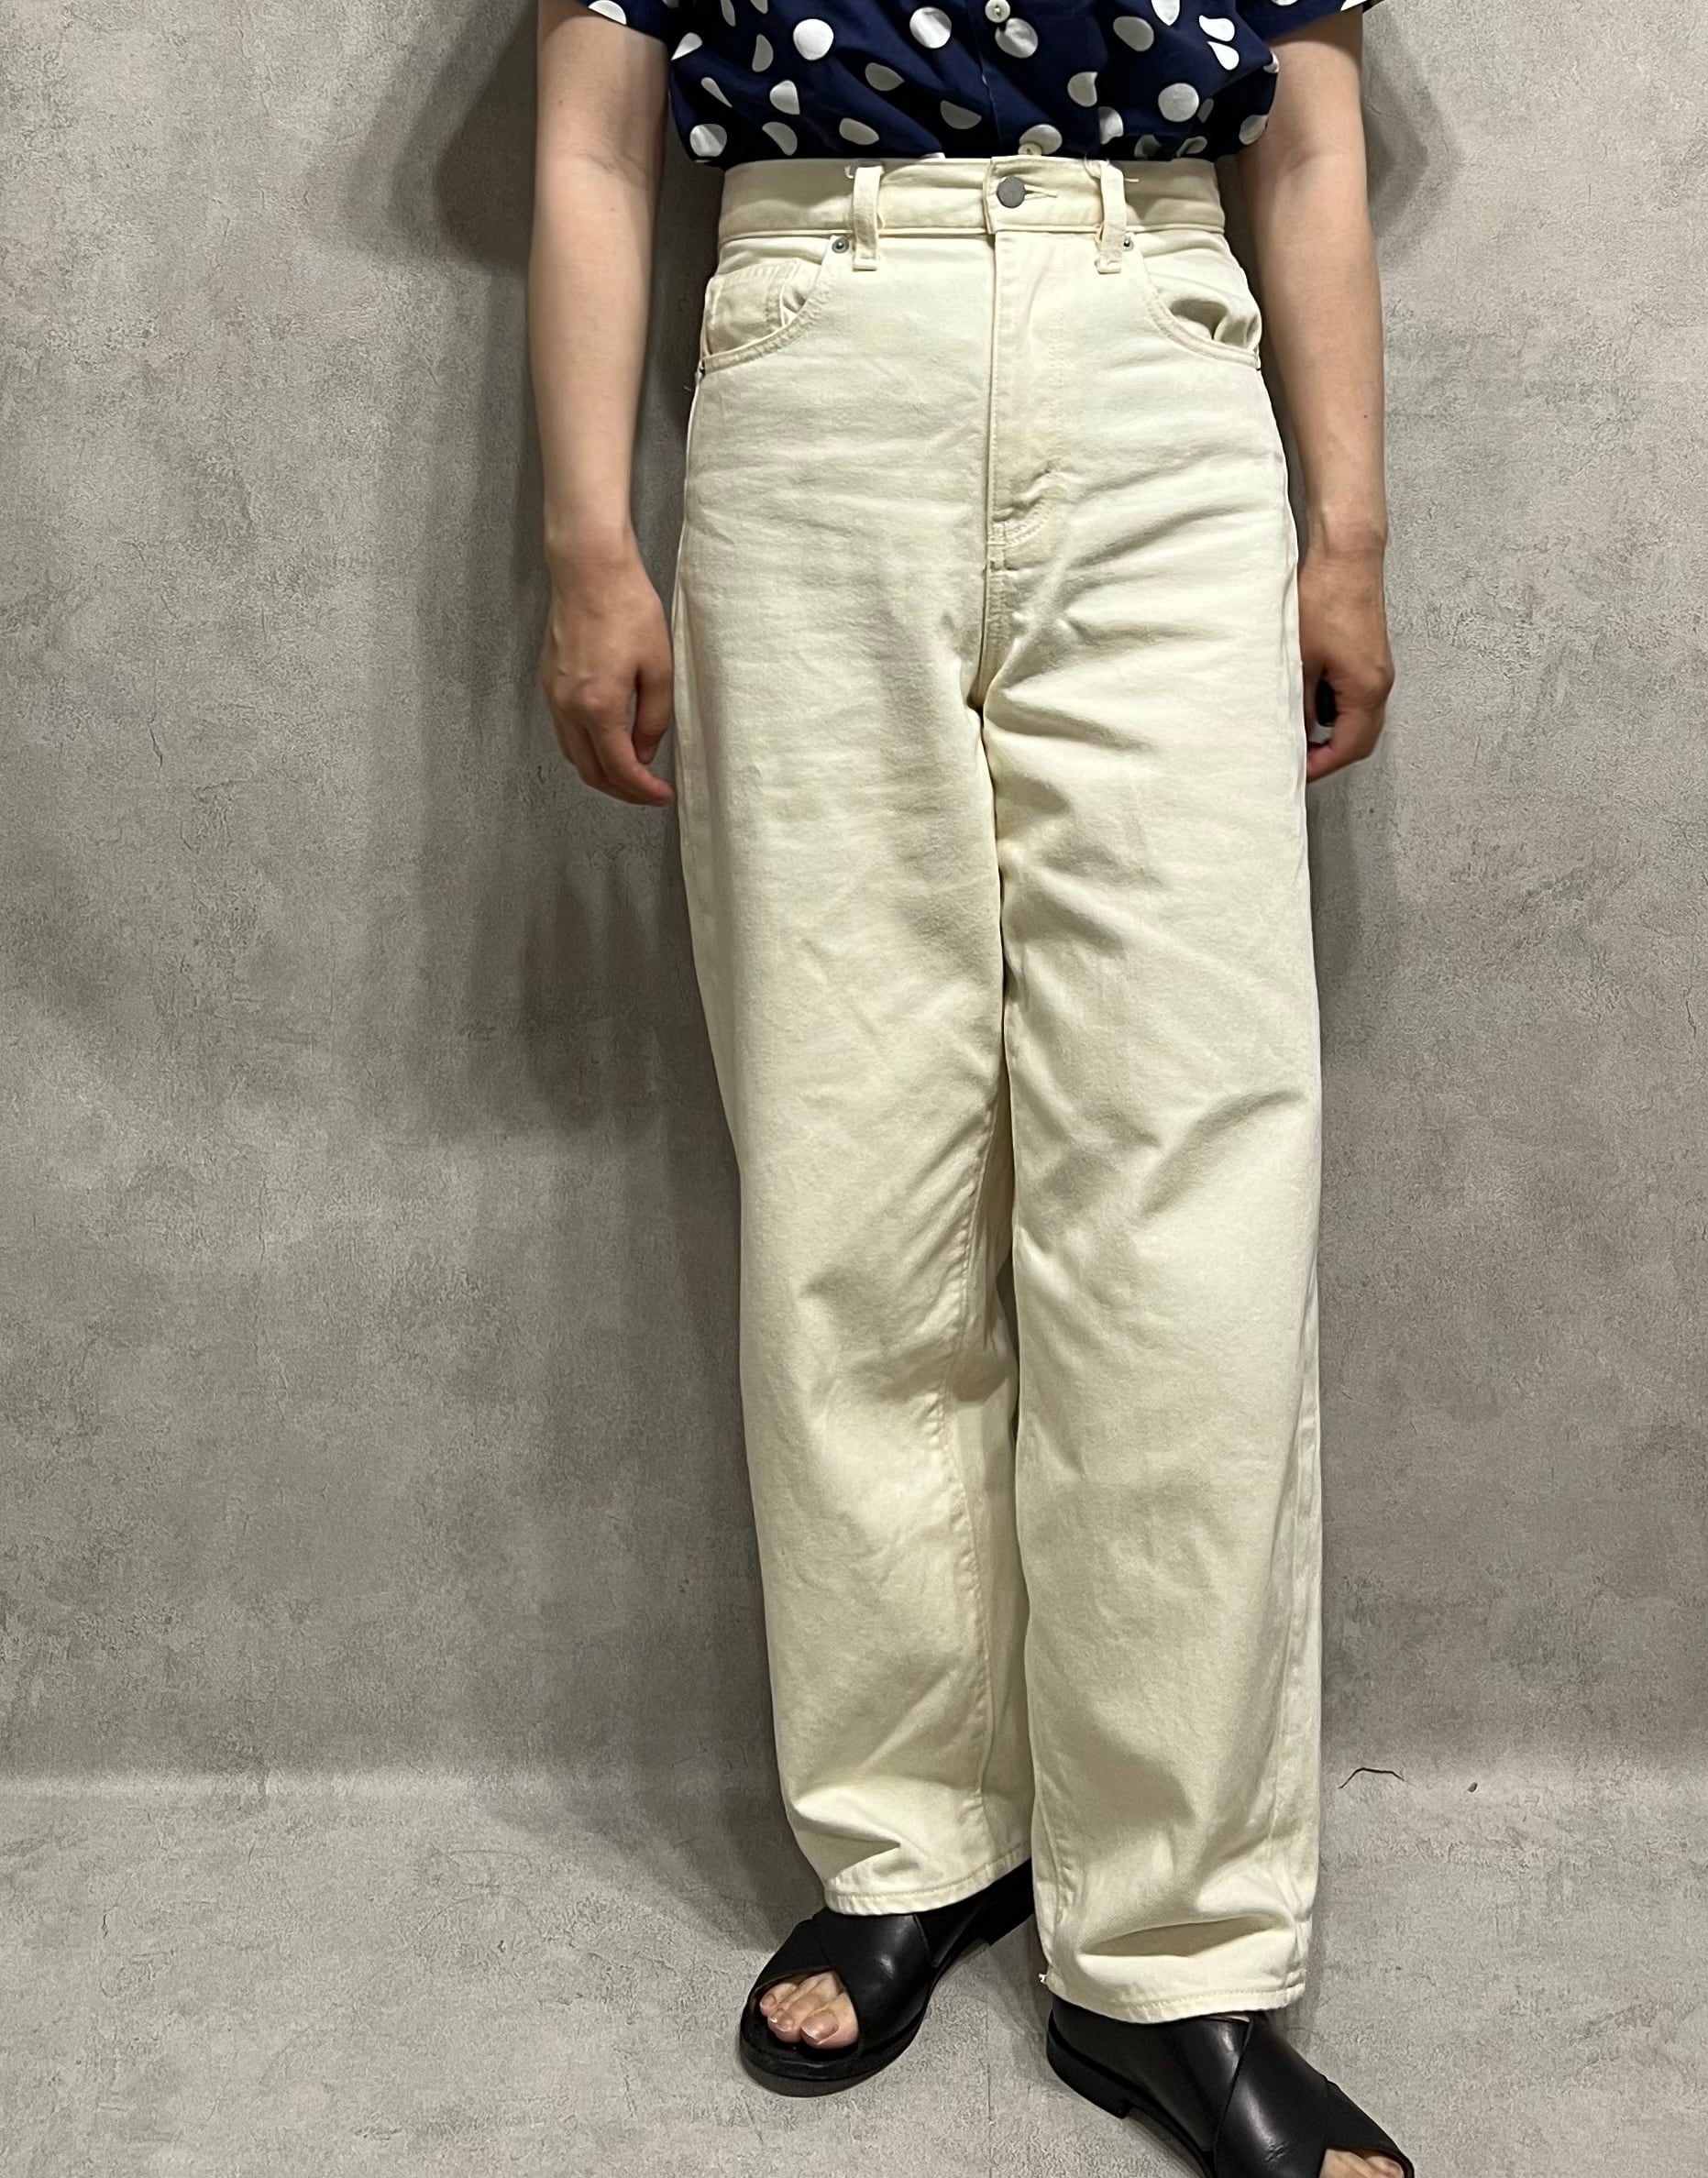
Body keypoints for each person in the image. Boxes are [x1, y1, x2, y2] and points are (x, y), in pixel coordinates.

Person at [528, 0, 1405, 2169]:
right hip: (813, 348)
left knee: (1188, 1200)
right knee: (858, 1180)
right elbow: (592, 130)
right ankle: (912, 1837)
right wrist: (585, 542)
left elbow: (1308, 125)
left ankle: (1178, 1950)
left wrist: (1352, 531)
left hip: (1161, 340)